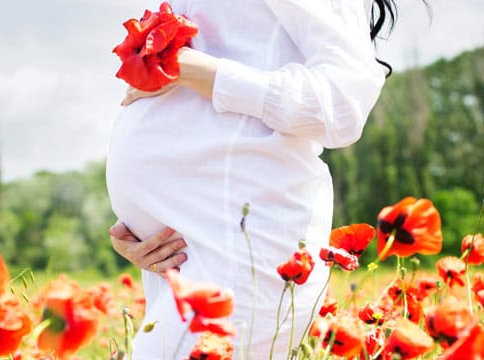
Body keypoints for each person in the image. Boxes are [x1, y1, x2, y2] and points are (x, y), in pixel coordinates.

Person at [106, 0, 394, 358]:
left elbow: (342, 102)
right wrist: (144, 222)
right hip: (182, 253)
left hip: (240, 244)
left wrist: (199, 71)